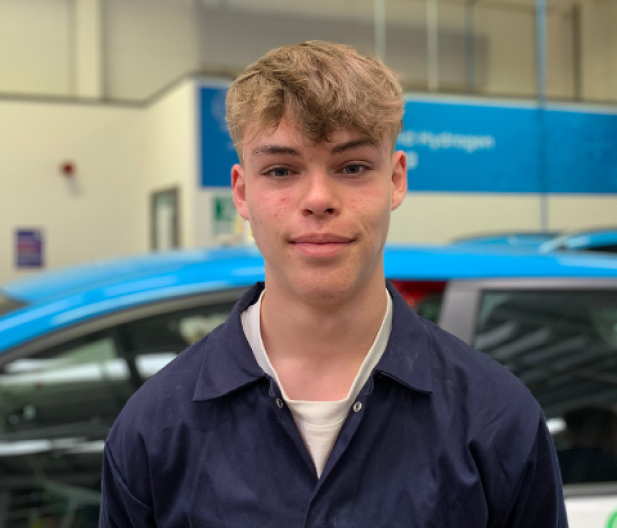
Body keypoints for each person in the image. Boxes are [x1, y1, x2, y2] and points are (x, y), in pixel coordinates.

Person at [99, 41, 568, 527]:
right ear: (242, 192)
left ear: (396, 179)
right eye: (281, 170)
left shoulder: (499, 419)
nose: (319, 199)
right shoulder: (153, 431)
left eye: (352, 167)